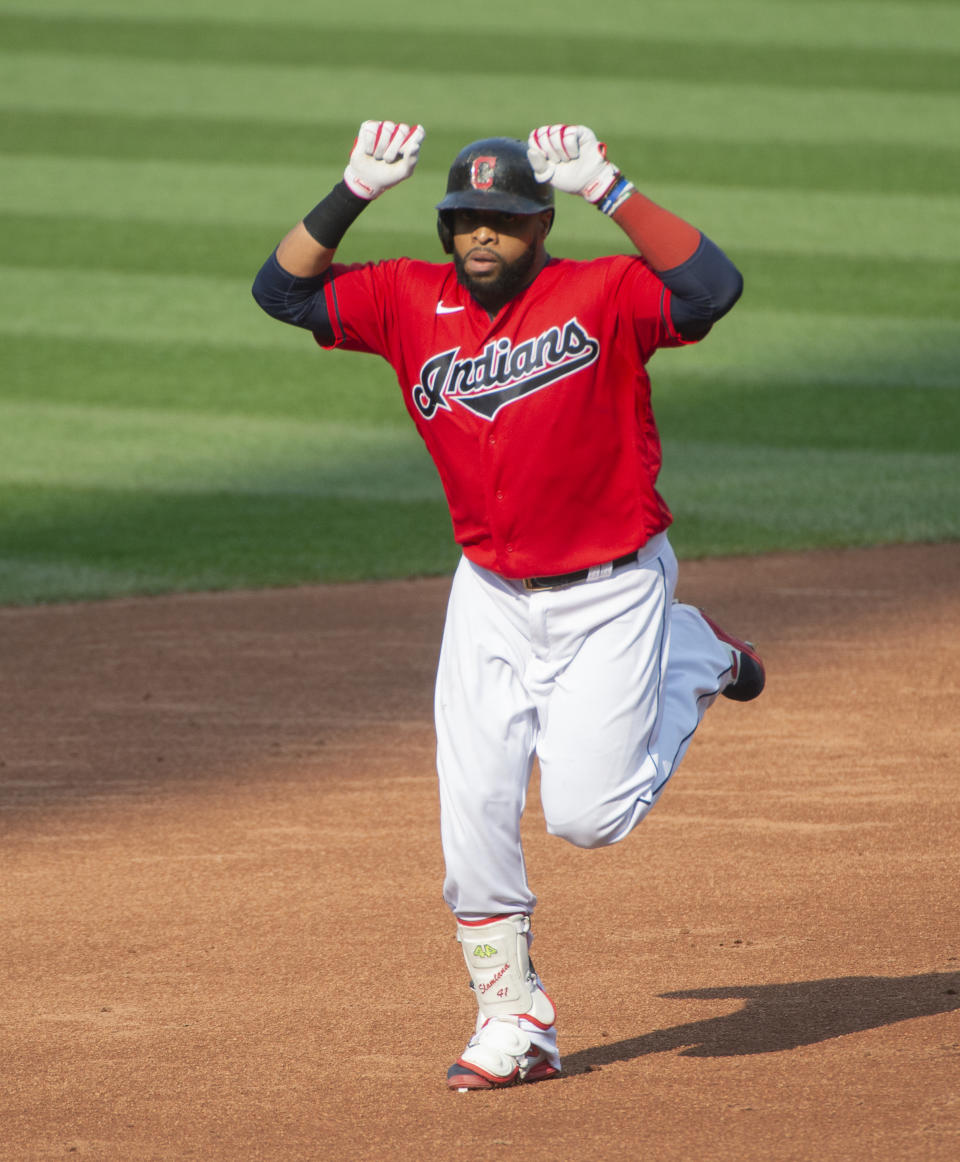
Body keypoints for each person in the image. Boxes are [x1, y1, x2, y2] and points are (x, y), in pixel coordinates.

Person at [252, 120, 765, 1091]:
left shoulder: (603, 292)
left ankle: (689, 654)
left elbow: (712, 290)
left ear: (539, 222)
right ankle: (513, 1017)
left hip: (613, 590)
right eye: (465, 220)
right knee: (474, 809)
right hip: (487, 591)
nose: (480, 236)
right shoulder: (407, 297)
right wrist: (350, 193)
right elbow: (280, 292)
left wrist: (609, 187)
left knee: (589, 816)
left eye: (501, 220)